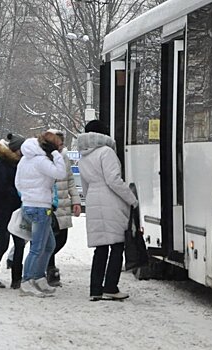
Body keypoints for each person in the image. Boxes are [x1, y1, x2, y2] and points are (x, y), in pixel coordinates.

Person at [77, 120, 137, 301]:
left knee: (100, 249)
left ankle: (95, 289)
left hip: (94, 200)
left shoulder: (84, 157)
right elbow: (113, 180)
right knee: (117, 246)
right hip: (111, 201)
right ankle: (111, 286)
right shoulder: (106, 152)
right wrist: (131, 199)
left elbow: (85, 186)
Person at [15, 132, 66, 297]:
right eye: (59, 147)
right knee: (37, 248)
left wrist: (27, 195)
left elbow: (17, 183)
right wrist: (57, 155)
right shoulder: (41, 160)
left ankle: (38, 278)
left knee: (49, 245)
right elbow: (60, 173)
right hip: (41, 207)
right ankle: (27, 280)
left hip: (29, 204)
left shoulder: (25, 159)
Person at [0, 133, 26, 289]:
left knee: (19, 244)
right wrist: (19, 194)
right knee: (3, 244)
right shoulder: (3, 165)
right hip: (4, 211)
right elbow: (3, 189)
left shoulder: (16, 164)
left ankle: (16, 278)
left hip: (13, 210)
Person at [46, 129, 81, 287]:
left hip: (63, 204)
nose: (61, 147)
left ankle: (46, 263)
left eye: (62, 144)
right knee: (50, 239)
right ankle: (50, 269)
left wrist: (76, 201)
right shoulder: (44, 158)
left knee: (62, 239)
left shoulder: (64, 158)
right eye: (58, 144)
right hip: (50, 205)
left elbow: (70, 181)